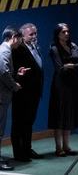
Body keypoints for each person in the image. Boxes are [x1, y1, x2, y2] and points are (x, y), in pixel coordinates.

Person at [48, 23, 78, 156]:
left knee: (69, 114)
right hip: (60, 85)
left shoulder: (73, 46)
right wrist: (73, 66)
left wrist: (72, 65)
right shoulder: (54, 48)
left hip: (73, 84)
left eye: (68, 31)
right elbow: (60, 68)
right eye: (63, 32)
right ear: (58, 33)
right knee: (59, 114)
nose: (67, 34)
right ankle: (58, 147)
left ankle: (66, 146)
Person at [11, 23, 43, 162]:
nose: (34, 36)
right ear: (22, 35)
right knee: (19, 123)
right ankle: (19, 153)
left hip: (34, 93)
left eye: (35, 33)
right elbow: (15, 70)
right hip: (22, 93)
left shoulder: (35, 46)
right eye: (31, 34)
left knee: (29, 122)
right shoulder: (18, 49)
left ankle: (27, 149)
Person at [0, 27, 26, 171]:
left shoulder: (4, 50)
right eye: (20, 39)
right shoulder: (5, 50)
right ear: (14, 37)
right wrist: (14, 85)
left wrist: (15, 73)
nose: (21, 42)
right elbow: (3, 71)